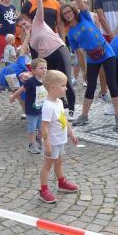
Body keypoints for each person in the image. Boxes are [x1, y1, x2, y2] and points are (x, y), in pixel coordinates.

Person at [57, 0, 118, 130]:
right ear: (63, 17)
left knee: (112, 84)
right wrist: (84, 71)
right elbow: (79, 53)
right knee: (90, 86)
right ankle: (84, 115)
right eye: (65, 14)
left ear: (73, 11)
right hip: (92, 58)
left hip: (107, 52)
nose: (68, 14)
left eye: (69, 11)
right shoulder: (71, 33)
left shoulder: (85, 17)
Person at [18, 0, 76, 114]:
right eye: (21, 26)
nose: (24, 26)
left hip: (59, 50)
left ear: (29, 20)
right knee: (47, 80)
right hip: (47, 56)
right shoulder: (30, 38)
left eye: (25, 23)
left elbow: (41, 9)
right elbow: (32, 55)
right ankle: (51, 105)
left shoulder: (38, 21)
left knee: (65, 79)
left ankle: (72, 109)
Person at [38, 70, 79, 204]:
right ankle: (43, 190)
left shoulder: (59, 102)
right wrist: (47, 145)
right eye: (63, 85)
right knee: (47, 166)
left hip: (60, 140)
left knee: (59, 162)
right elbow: (44, 127)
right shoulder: (48, 106)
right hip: (52, 142)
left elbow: (63, 119)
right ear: (52, 87)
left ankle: (62, 183)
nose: (66, 88)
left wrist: (71, 133)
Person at [10, 58, 49, 154]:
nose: (44, 70)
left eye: (45, 68)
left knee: (42, 127)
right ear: (34, 71)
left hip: (42, 109)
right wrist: (13, 96)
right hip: (31, 110)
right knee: (32, 128)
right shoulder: (30, 82)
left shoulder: (46, 80)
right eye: (41, 68)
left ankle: (39, 140)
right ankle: (31, 145)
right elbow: (21, 89)